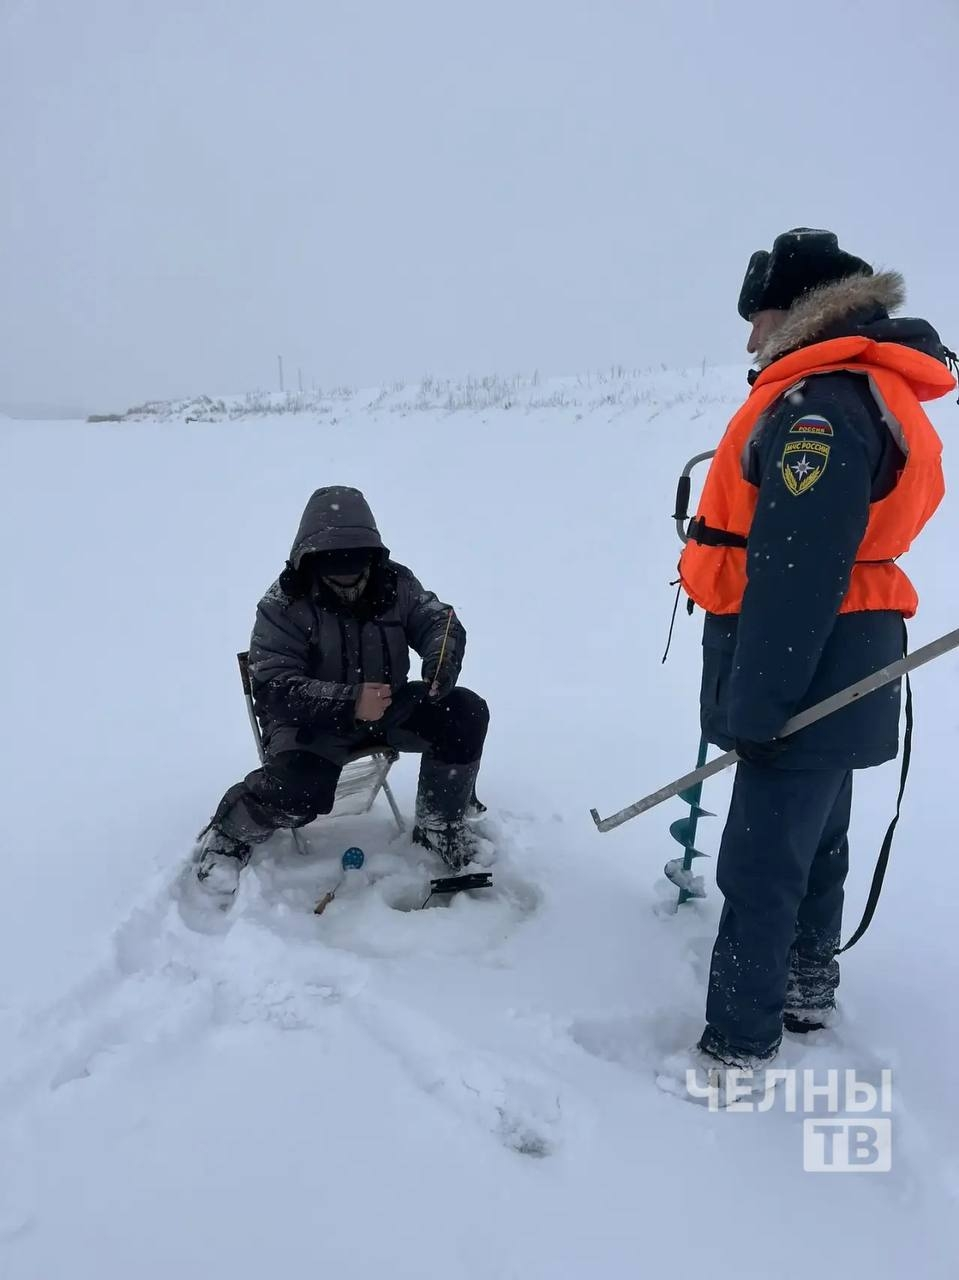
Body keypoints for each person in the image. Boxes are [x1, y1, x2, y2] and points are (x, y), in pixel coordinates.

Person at [676, 229, 954, 1077]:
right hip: (838, 651)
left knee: (761, 862)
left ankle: (737, 1044)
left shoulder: (819, 406)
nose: (749, 339)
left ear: (792, 311)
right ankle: (803, 983)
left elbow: (797, 572)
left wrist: (759, 704)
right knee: (816, 835)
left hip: (805, 656)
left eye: (755, 318)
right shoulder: (852, 388)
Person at [195, 486, 489, 897]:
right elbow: (274, 689)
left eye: (356, 564)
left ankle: (439, 825)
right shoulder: (281, 605)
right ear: (310, 559)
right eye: (334, 566)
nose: (347, 578)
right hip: (309, 727)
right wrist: (350, 702)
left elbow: (438, 619)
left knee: (464, 711)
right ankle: (233, 830)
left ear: (372, 555)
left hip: (388, 707)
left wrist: (442, 656)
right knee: (299, 793)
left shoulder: (396, 583)